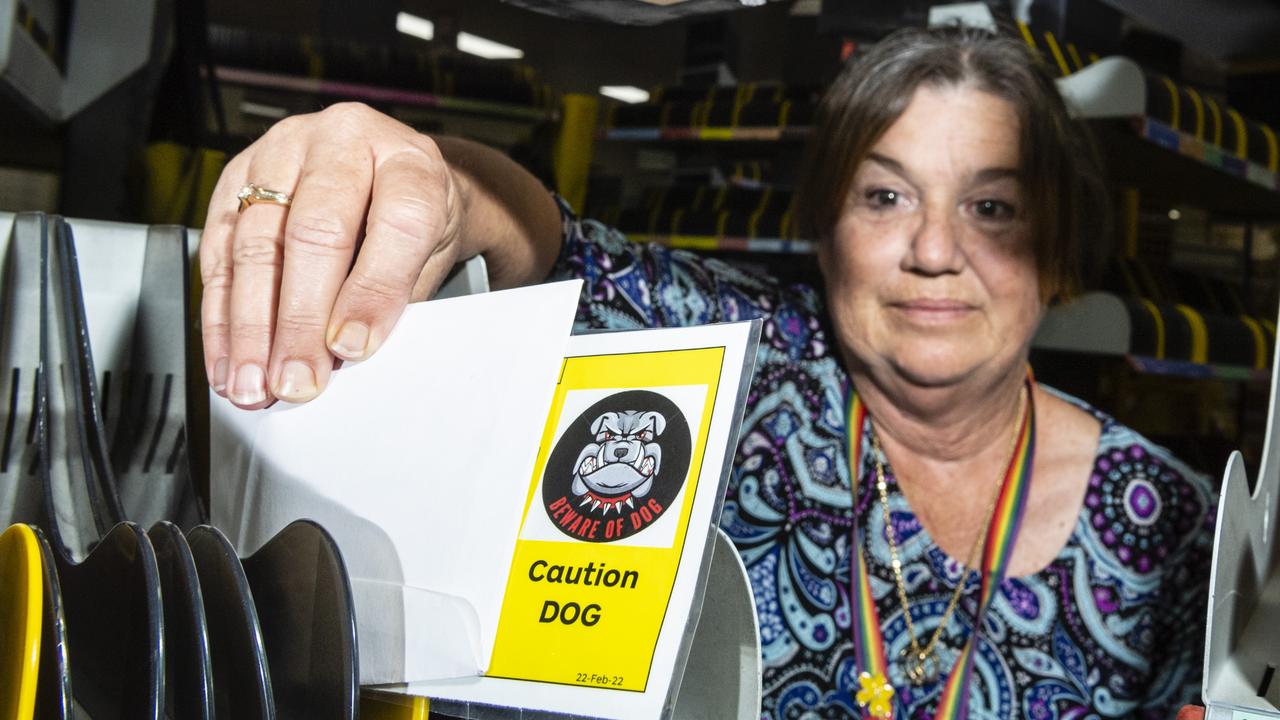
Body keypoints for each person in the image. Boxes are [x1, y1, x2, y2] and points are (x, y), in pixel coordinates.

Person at [200, 24, 1215, 719]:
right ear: (824, 226)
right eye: (884, 198)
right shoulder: (746, 369)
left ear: (1057, 239)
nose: (932, 252)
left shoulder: (1163, 522)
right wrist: (430, 176)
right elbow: (554, 251)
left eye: (990, 206)